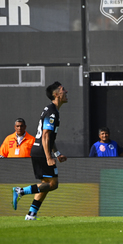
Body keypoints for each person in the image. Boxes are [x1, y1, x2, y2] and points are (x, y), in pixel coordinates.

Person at [12, 81, 68, 220]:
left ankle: (31, 214)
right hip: (42, 152)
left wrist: (57, 153)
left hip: (39, 150)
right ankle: (21, 191)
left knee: (46, 184)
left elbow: (50, 137)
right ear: (56, 94)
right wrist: (49, 156)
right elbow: (45, 135)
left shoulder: (52, 110)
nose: (66, 91)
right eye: (62, 90)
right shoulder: (52, 112)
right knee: (52, 185)